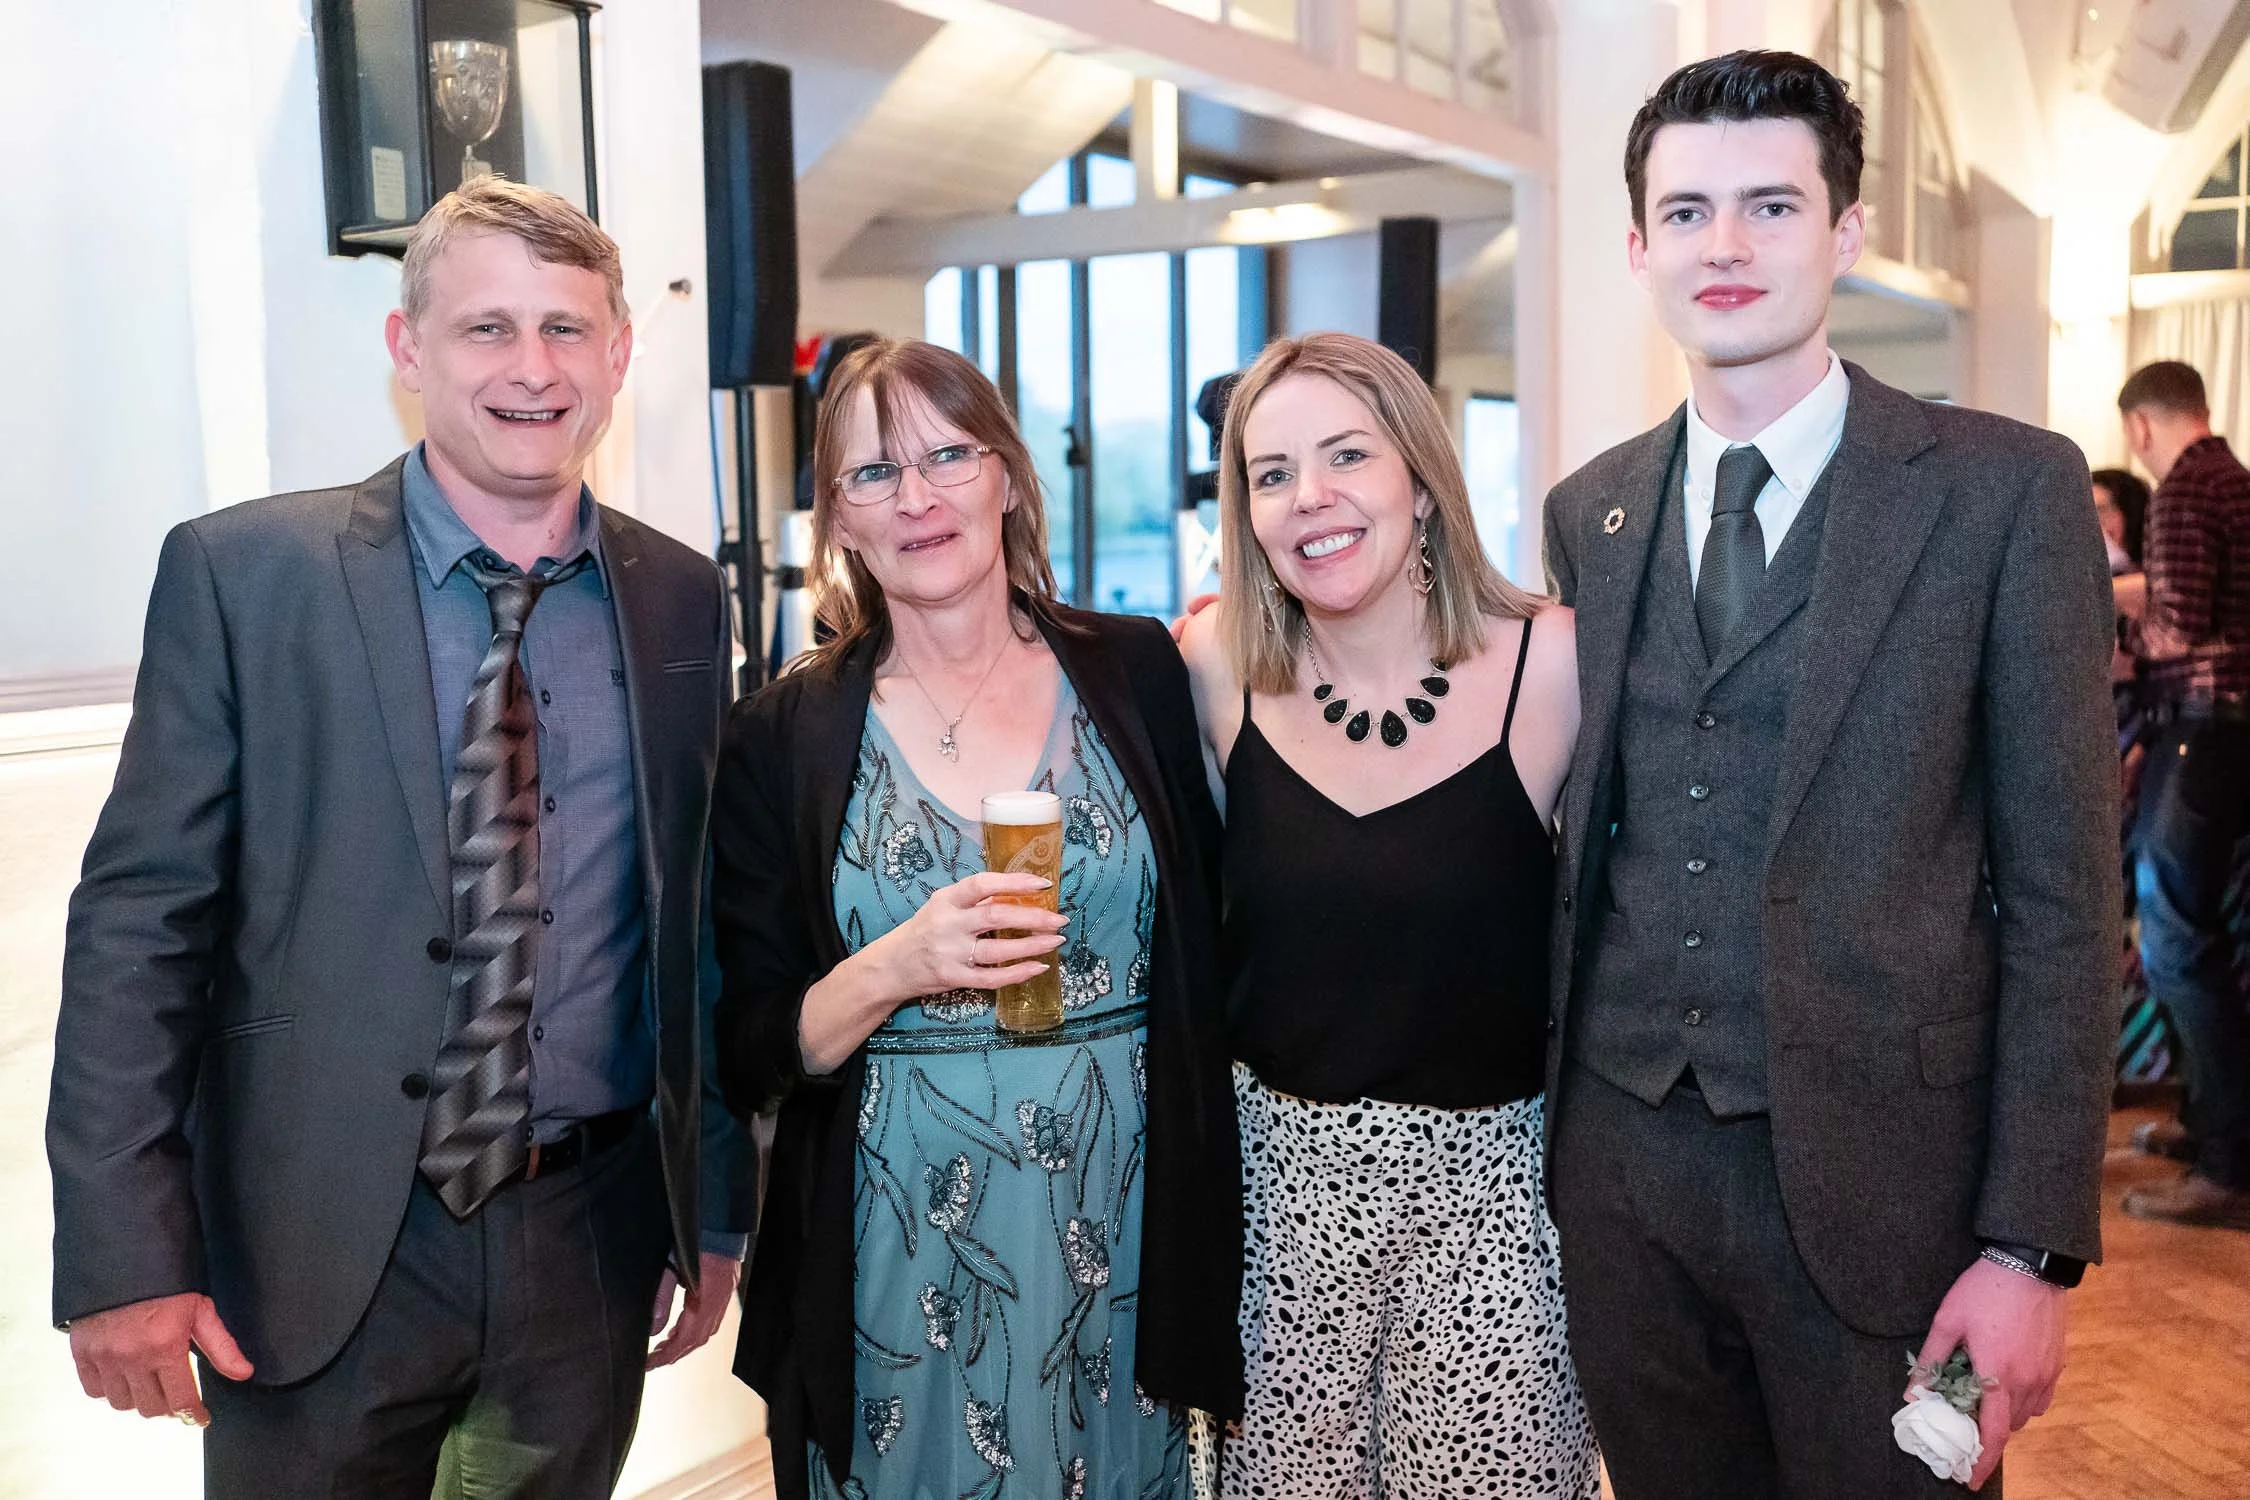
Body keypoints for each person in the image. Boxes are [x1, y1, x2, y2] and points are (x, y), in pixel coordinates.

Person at [47, 177, 755, 1496]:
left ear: (617, 355)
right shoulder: (248, 578)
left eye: (565, 329)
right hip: (317, 1250)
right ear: (408, 349)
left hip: (587, 1240)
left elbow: (692, 926)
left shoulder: (676, 596)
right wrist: (125, 1254)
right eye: (487, 328)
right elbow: (138, 937)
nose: (531, 369)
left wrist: (710, 1200)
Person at [1541, 52, 2118, 1498]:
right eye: (1684, 212)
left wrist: (2028, 1245)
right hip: (1620, 1187)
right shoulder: (1585, 514)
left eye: (1768, 205)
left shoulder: (2004, 492)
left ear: (1844, 233)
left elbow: (2063, 896)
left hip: (1893, 1205)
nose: (1722, 247)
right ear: (1635, 247)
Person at [709, 338, 1242, 1500]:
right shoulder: (781, 737)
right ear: (837, 519)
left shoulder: (1140, 669)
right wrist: (893, 965)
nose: (919, 498)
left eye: (951, 455)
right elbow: (751, 1043)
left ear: (1006, 473)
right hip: (895, 1232)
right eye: (874, 474)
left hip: (1125, 1214)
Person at [1177, 332, 1597, 1498]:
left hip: (1495, 1206)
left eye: (1347, 455)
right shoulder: (1213, 664)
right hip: (1279, 1204)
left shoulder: (1551, 663)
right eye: (1270, 474)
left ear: (1419, 475)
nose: (1310, 498)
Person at [2114, 360, 2250, 1227]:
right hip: (2229, 733)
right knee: (2196, 935)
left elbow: (2179, 626)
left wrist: (2111, 628)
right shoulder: (2234, 481)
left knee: (2172, 938)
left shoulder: (2187, 491)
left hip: (2207, 728)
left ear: (2138, 426)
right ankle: (2209, 1127)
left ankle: (2229, 1164)